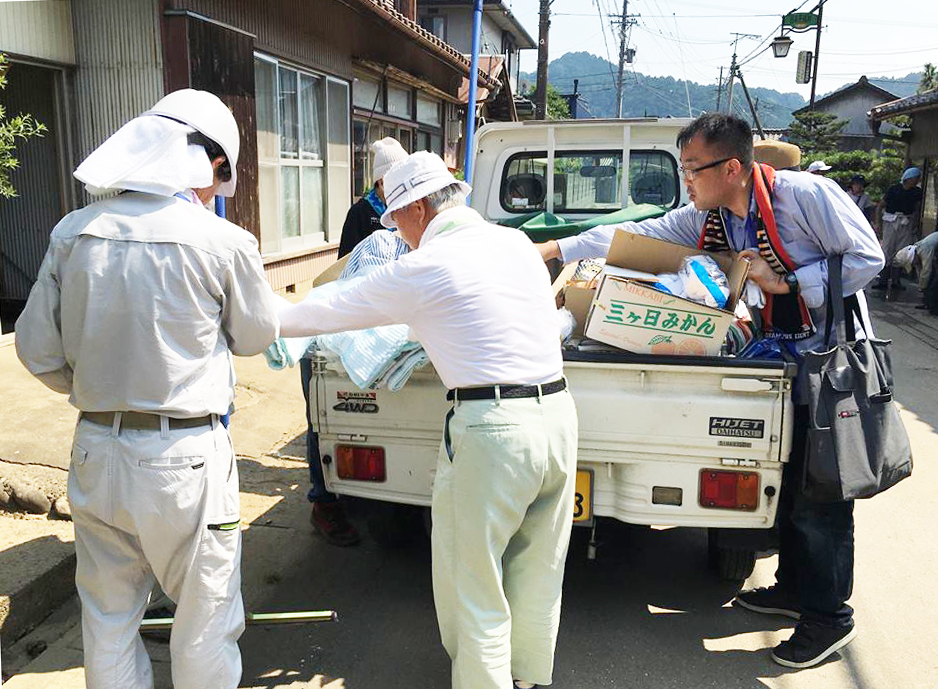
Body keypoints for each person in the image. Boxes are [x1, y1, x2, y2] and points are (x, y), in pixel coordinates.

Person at [537, 113, 884, 670]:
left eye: (693, 168)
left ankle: (829, 619)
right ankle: (795, 590)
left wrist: (789, 282)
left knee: (823, 496)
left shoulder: (805, 195)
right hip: (781, 360)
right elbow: (638, 234)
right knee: (793, 487)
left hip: (828, 363)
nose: (686, 180)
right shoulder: (712, 217)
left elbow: (868, 258)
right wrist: (554, 249)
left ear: (731, 168)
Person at [277, 151, 578, 689]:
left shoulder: (426, 266)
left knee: (474, 579)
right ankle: (527, 679)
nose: (397, 231)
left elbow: (331, 309)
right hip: (557, 416)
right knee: (539, 568)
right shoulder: (515, 244)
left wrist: (256, 318)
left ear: (417, 209)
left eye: (396, 218)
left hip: (493, 429)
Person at [15, 89, 279, 689]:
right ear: (208, 162)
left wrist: (95, 386)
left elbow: (35, 350)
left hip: (96, 448)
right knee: (205, 621)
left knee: (108, 620)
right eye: (219, 179)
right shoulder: (222, 242)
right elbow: (256, 335)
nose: (214, 194)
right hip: (184, 457)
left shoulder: (73, 232)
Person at [300, 136, 407, 546]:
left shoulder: (412, 209)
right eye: (391, 180)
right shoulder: (362, 215)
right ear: (380, 181)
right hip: (361, 315)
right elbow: (348, 270)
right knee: (322, 411)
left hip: (392, 317)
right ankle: (323, 501)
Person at [337, 136, 408, 257]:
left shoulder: (407, 208)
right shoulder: (359, 213)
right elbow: (346, 260)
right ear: (381, 182)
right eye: (399, 180)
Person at [873, 166, 923, 290]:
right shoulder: (894, 189)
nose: (917, 180)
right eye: (916, 178)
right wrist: (878, 223)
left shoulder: (917, 192)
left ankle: (896, 281)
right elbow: (880, 206)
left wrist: (915, 224)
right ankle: (883, 280)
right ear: (909, 178)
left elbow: (917, 209)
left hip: (907, 221)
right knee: (887, 248)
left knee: (901, 250)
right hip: (891, 220)